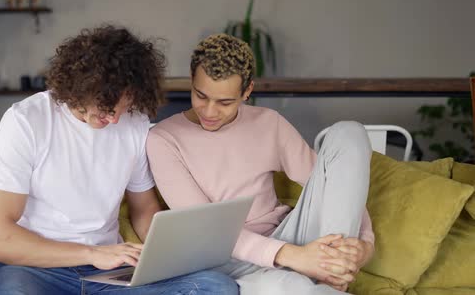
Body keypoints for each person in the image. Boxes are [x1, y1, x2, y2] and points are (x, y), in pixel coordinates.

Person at [0, 26, 239, 295]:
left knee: (216, 287)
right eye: (106, 107)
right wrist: (92, 253)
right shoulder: (26, 122)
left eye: (123, 108)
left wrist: (168, 256)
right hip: (34, 270)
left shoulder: (134, 124)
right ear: (79, 88)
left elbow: (143, 209)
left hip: (108, 273)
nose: (114, 120)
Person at [146, 33, 375, 294]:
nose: (209, 111)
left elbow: (339, 188)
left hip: (288, 237)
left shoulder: (269, 123)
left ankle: (332, 271)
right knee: (293, 287)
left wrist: (366, 246)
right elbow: (207, 231)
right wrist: (295, 257)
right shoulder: (163, 139)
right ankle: (329, 280)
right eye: (201, 95)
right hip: (224, 261)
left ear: (247, 91)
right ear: (191, 79)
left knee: (349, 132)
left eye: (224, 102)